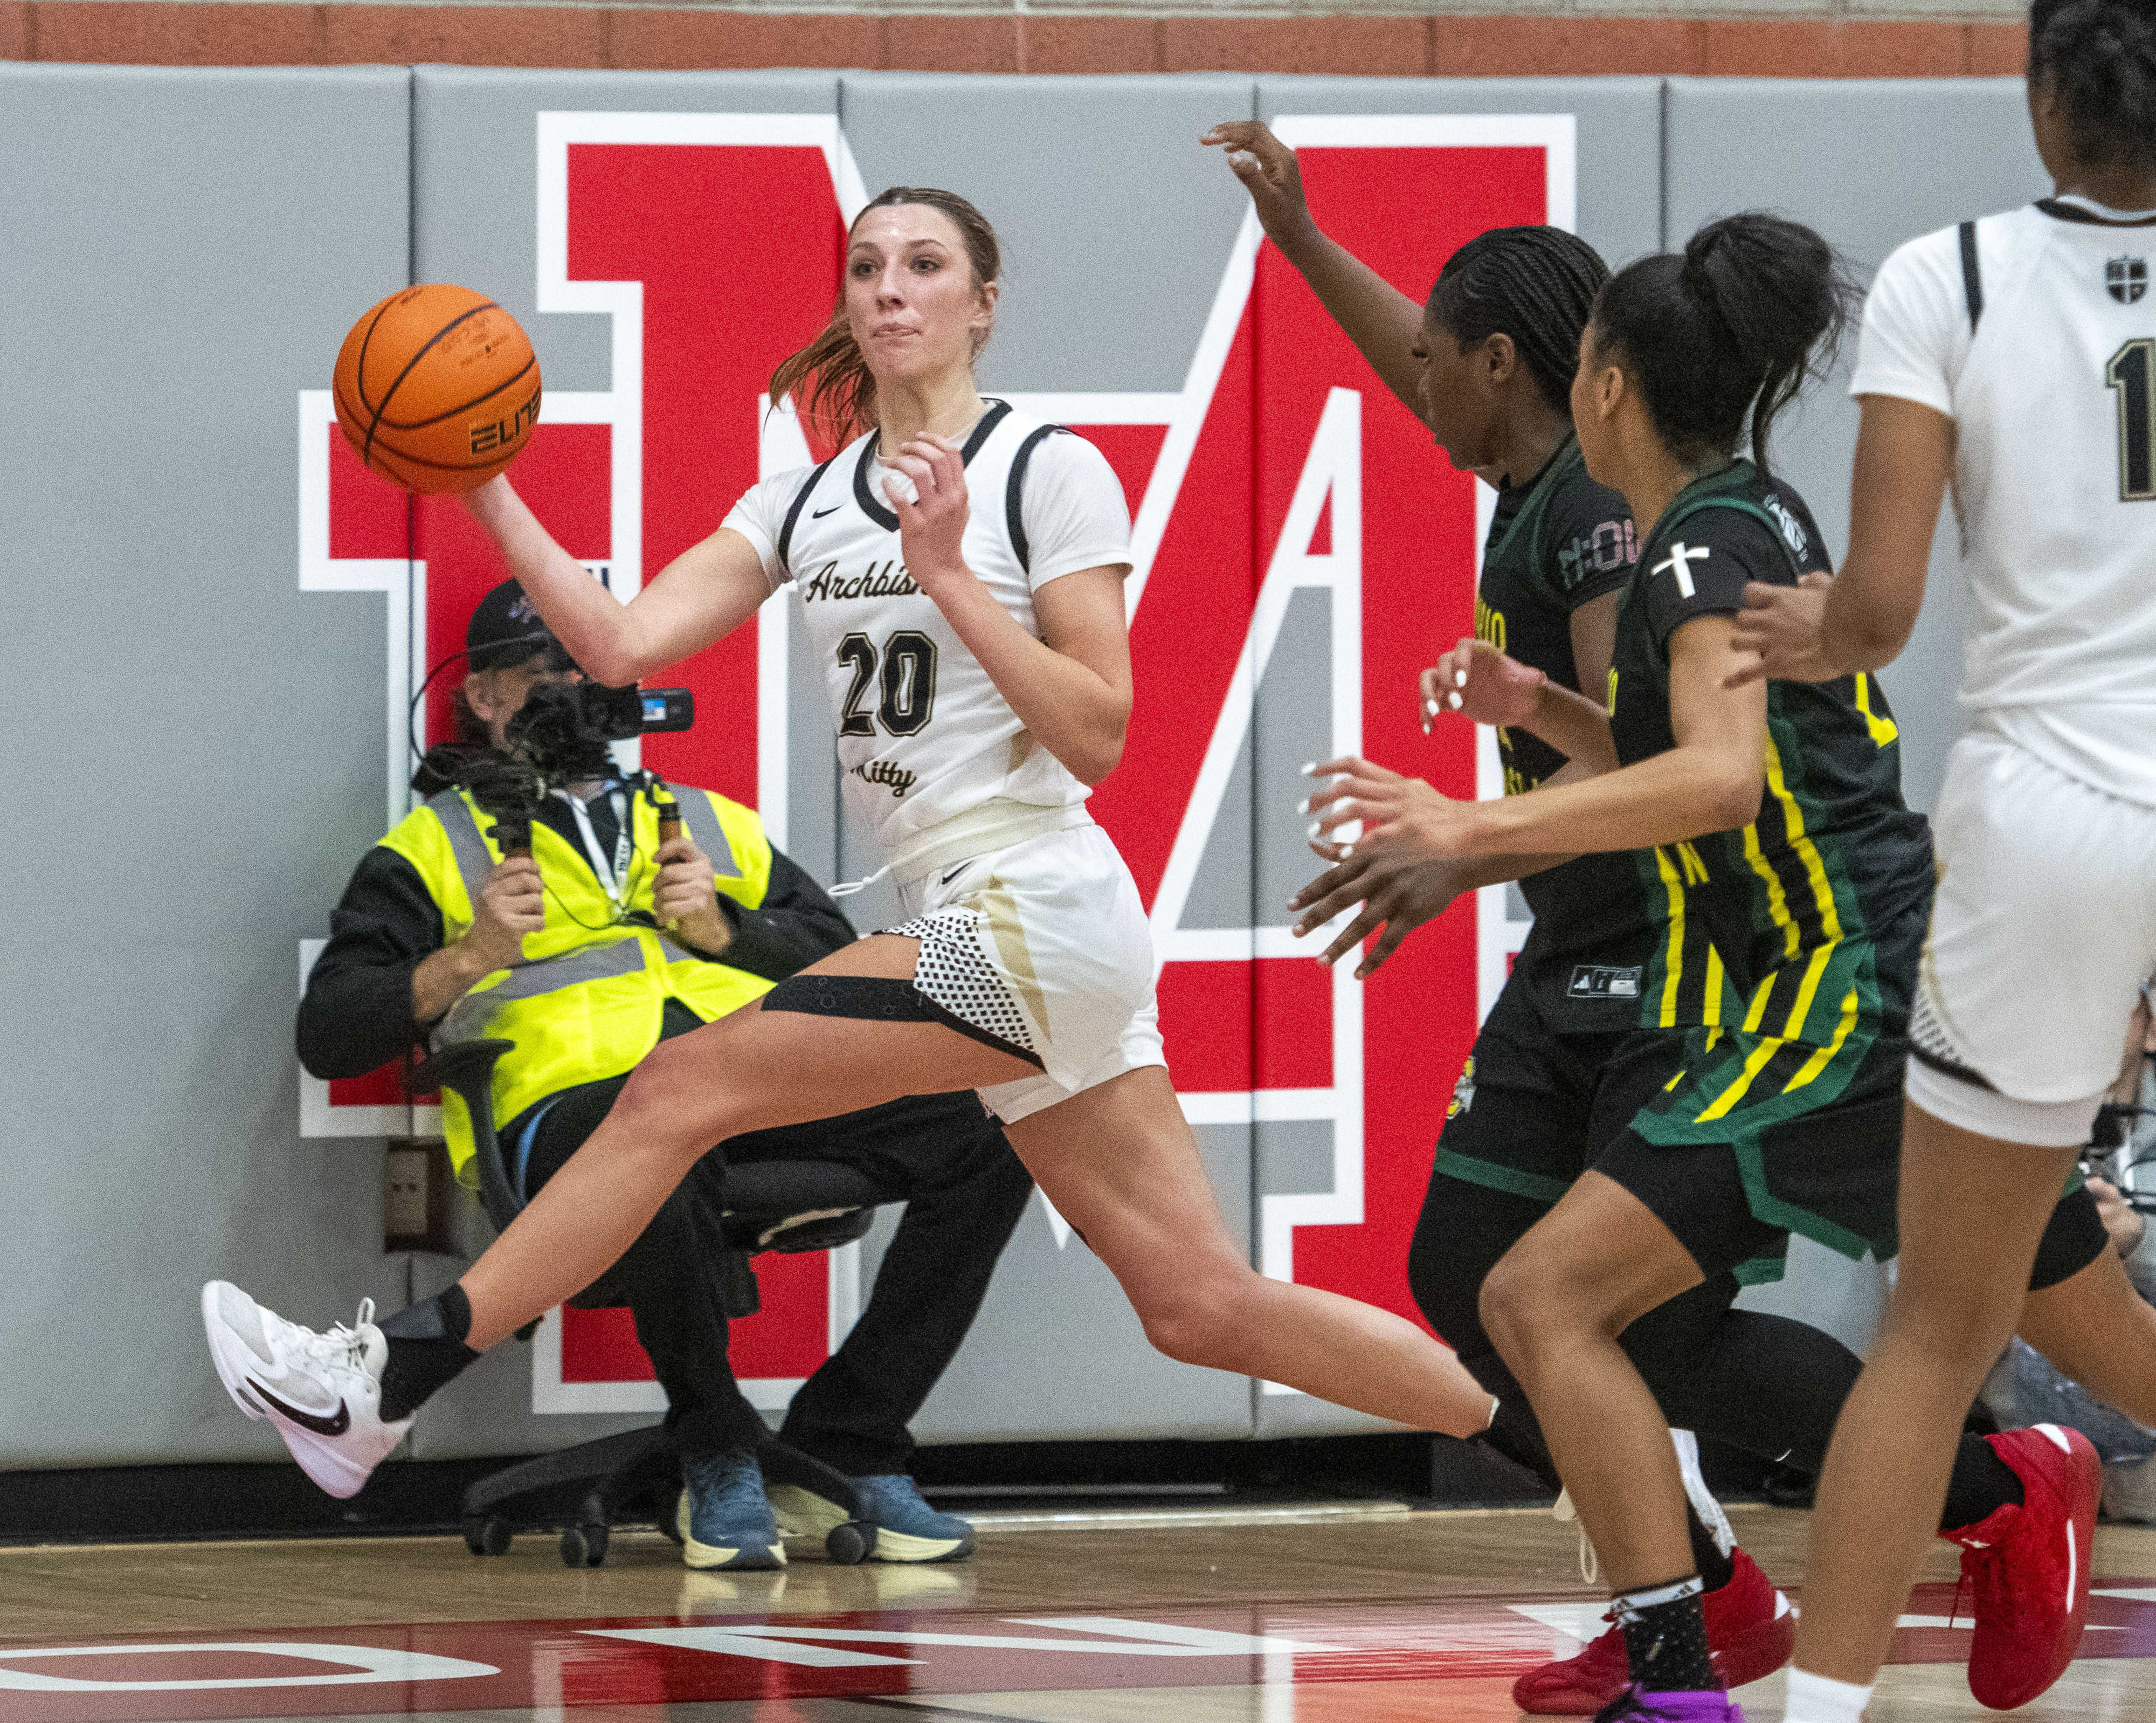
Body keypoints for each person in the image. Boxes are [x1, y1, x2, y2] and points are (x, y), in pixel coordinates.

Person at [201, 184, 1506, 1505]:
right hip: (979, 915)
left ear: (981, 303)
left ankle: (380, 1383)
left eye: (925, 264)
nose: (889, 286)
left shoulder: (1043, 468)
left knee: (676, 1089)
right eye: (867, 264)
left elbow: (1101, 731)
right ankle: (1562, 1438)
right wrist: (482, 483)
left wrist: (945, 575)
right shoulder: (803, 499)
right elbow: (620, 643)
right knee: (1197, 1306)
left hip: (1033, 897)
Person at [1303, 210, 2105, 1723]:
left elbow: (1720, 785)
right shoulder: (1731, 518)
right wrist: (1541, 709)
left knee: (1549, 1298)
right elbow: (1698, 762)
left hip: (1840, 986)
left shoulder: (1694, 545)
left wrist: (1469, 824)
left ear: (1600, 384)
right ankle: (1736, 1625)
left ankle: (1702, 1664)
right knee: (2084, 1331)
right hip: (1869, 971)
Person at [1204, 119, 1807, 1711]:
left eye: (1433, 358)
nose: (1412, 380)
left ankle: (1907, 1517)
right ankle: (1700, 1584)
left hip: (1662, 945)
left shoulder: (1604, 526)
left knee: (1607, 1316)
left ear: (1503, 363)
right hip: (1573, 943)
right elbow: (1417, 341)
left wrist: (1462, 838)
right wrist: (1299, 237)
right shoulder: (1539, 479)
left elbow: (1668, 766)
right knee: (1472, 1264)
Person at [247, 578, 1033, 1567]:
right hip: (558, 1117)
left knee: (1000, 1120)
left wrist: (728, 930)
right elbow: (330, 1032)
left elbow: (842, 962)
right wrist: (470, 956)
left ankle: (849, 1440)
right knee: (658, 1126)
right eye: (551, 672)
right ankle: (715, 1446)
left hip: (740, 1090)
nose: (580, 688)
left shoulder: (706, 823)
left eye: (600, 669)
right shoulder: (431, 847)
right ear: (485, 696)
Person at [1727, 4, 2156, 1715]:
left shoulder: (1949, 276)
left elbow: (1882, 613)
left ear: (2043, 91)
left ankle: (1826, 1709)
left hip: (2049, 815)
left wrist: (1803, 629)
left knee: (1938, 1327)